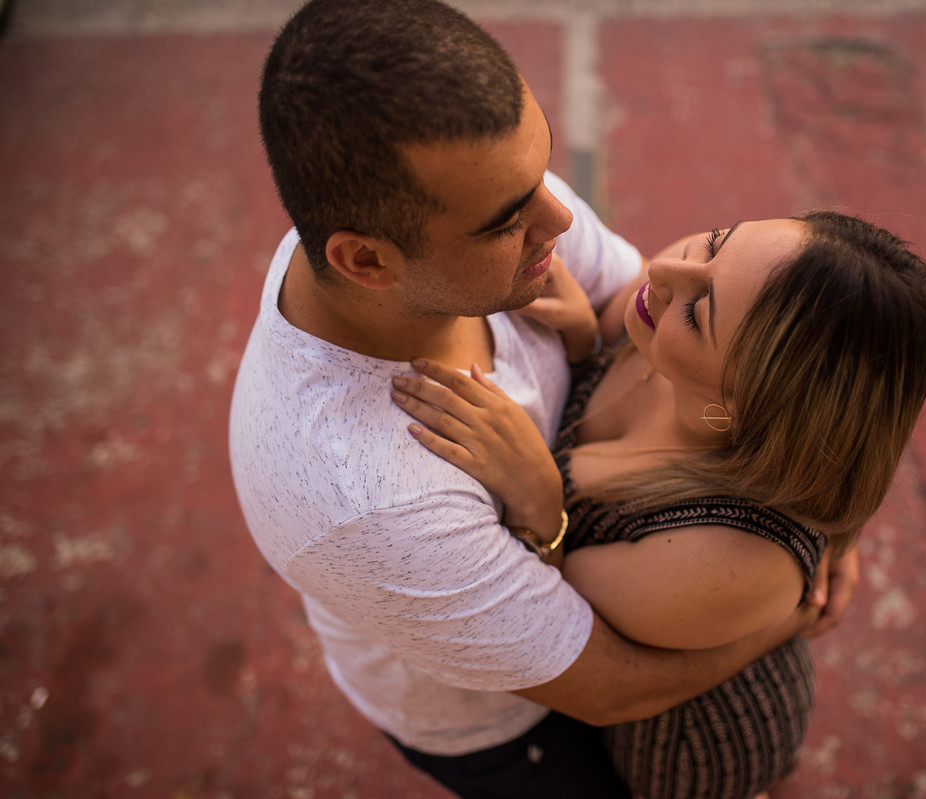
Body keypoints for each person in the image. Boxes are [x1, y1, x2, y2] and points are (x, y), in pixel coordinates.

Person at [229, 1, 849, 797]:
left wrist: (837, 504)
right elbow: (609, 685)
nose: (558, 215)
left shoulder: (474, 200)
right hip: (509, 725)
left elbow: (638, 302)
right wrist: (788, 610)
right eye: (507, 221)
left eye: (540, 172)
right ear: (368, 263)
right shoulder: (369, 498)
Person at [391, 210, 926, 799]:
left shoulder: (724, 554)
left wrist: (537, 493)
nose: (664, 269)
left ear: (743, 402)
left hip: (701, 739)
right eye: (715, 242)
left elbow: (561, 607)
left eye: (698, 311)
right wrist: (586, 341)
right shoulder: (660, 326)